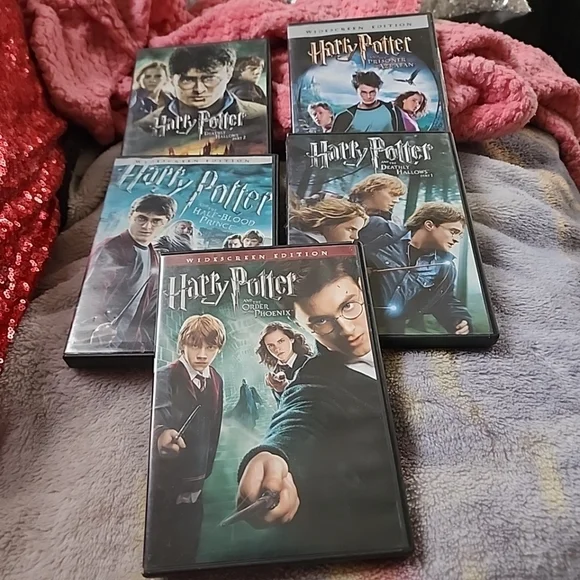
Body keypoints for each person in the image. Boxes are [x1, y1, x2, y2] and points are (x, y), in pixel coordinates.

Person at [235, 257, 407, 555]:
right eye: (321, 321)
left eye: (349, 306)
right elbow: (300, 416)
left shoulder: (403, 315)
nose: (347, 330)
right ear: (303, 327)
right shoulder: (314, 379)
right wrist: (273, 455)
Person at [148, 314, 226, 565]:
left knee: (188, 546)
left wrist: (204, 472)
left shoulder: (216, 379)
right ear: (183, 345)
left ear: (218, 349)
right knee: (160, 548)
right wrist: (161, 436)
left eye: (210, 347)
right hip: (166, 483)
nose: (202, 354)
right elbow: (158, 418)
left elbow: (214, 427)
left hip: (197, 482)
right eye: (195, 345)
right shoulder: (165, 376)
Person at [81, 194, 176, 350]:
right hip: (100, 337)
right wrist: (98, 323)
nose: (147, 227)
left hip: (128, 341)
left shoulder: (154, 256)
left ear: (166, 223)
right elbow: (93, 290)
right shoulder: (112, 247)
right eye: (141, 218)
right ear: (131, 216)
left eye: (156, 221)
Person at [364, 202, 472, 335]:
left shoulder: (443, 268)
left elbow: (443, 300)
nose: (456, 240)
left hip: (391, 331)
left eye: (459, 235)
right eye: (453, 232)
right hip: (354, 317)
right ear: (429, 225)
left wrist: (459, 319)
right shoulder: (382, 233)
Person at [136, 45, 267, 138]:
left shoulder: (261, 116)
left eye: (209, 79)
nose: (199, 90)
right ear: (171, 79)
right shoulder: (144, 127)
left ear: (229, 74)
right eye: (187, 80)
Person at [255, 322, 313, 404]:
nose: (277, 349)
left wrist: (285, 387)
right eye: (271, 345)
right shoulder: (275, 374)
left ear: (291, 339)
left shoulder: (310, 363)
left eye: (281, 341)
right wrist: (279, 390)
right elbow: (282, 406)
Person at [331, 71, 405, 133]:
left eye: (372, 92)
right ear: (357, 91)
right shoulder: (345, 117)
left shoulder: (393, 110)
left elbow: (402, 136)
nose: (368, 96)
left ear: (378, 90)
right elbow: (334, 142)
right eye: (363, 92)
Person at [349, 173, 407, 242]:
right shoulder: (345, 213)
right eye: (392, 194)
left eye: (398, 197)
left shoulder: (388, 218)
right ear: (373, 190)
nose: (396, 201)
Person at [288, 197, 368, 245]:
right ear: (330, 222)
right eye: (351, 229)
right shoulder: (299, 244)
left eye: (357, 231)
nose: (355, 237)